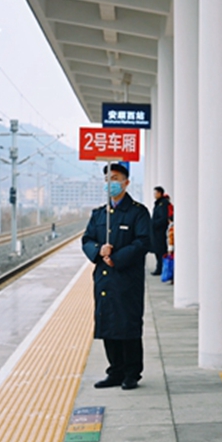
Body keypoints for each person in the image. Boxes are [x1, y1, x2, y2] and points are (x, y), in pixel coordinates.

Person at [81, 163, 150, 390]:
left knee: (127, 325)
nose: (111, 183)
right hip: (104, 279)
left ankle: (132, 372)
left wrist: (117, 258)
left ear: (126, 182)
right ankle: (115, 371)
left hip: (127, 279)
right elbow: (87, 240)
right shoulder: (99, 214)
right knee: (109, 324)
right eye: (108, 179)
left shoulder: (138, 212)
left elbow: (142, 242)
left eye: (116, 178)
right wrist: (99, 250)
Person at [150, 186, 171, 275]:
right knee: (157, 250)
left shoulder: (163, 204)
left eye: (156, 193)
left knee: (161, 250)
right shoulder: (158, 203)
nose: (155, 195)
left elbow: (163, 218)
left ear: (160, 193)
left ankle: (161, 268)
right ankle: (159, 267)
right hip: (156, 231)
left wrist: (153, 224)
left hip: (160, 231)